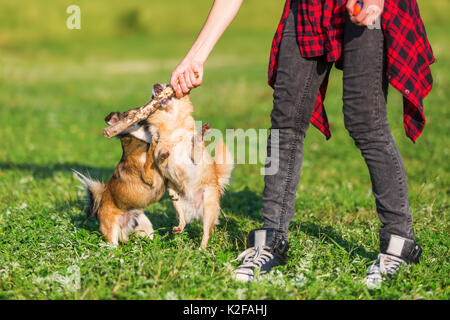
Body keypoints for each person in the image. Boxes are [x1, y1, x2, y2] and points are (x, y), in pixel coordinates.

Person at [170, 0, 434, 288]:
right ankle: (270, 240)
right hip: (309, 7)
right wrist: (196, 55)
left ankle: (400, 244)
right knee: (286, 121)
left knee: (365, 118)